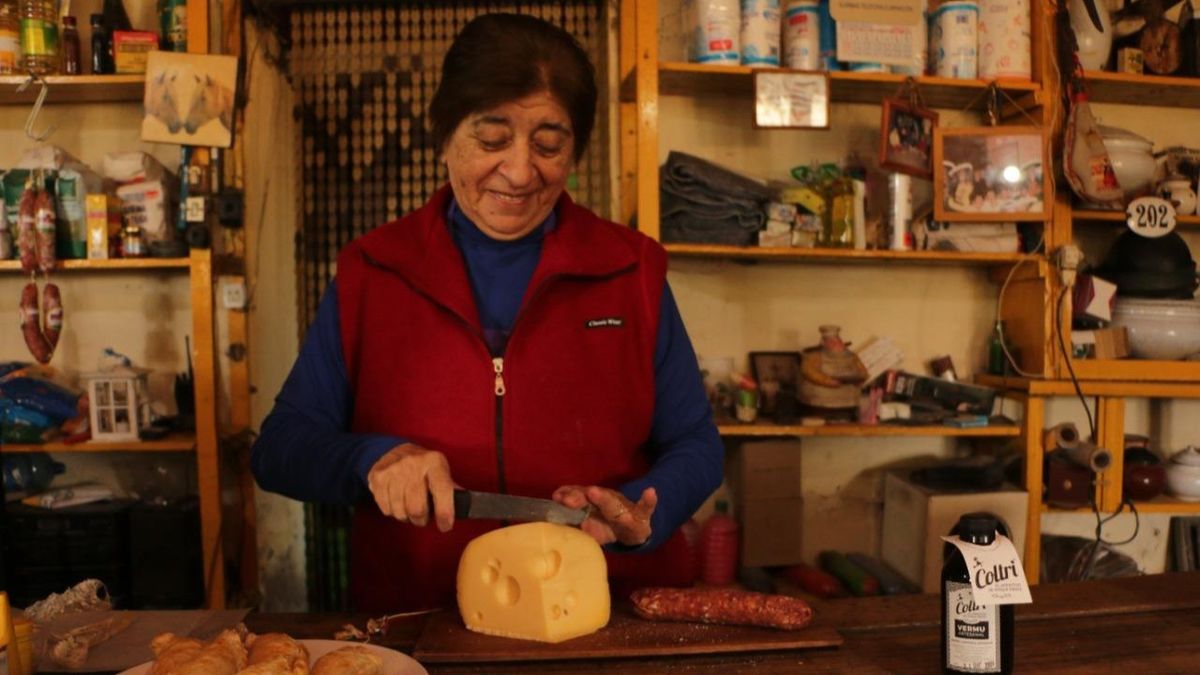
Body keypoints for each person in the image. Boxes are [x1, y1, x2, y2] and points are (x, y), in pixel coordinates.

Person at [251, 13, 724, 613]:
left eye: (549, 145)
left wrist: (637, 512)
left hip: (606, 618)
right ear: (445, 132)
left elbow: (698, 444)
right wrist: (370, 460)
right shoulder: (373, 271)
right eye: (492, 139)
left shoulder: (629, 271)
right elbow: (280, 449)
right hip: (417, 621)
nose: (521, 171)